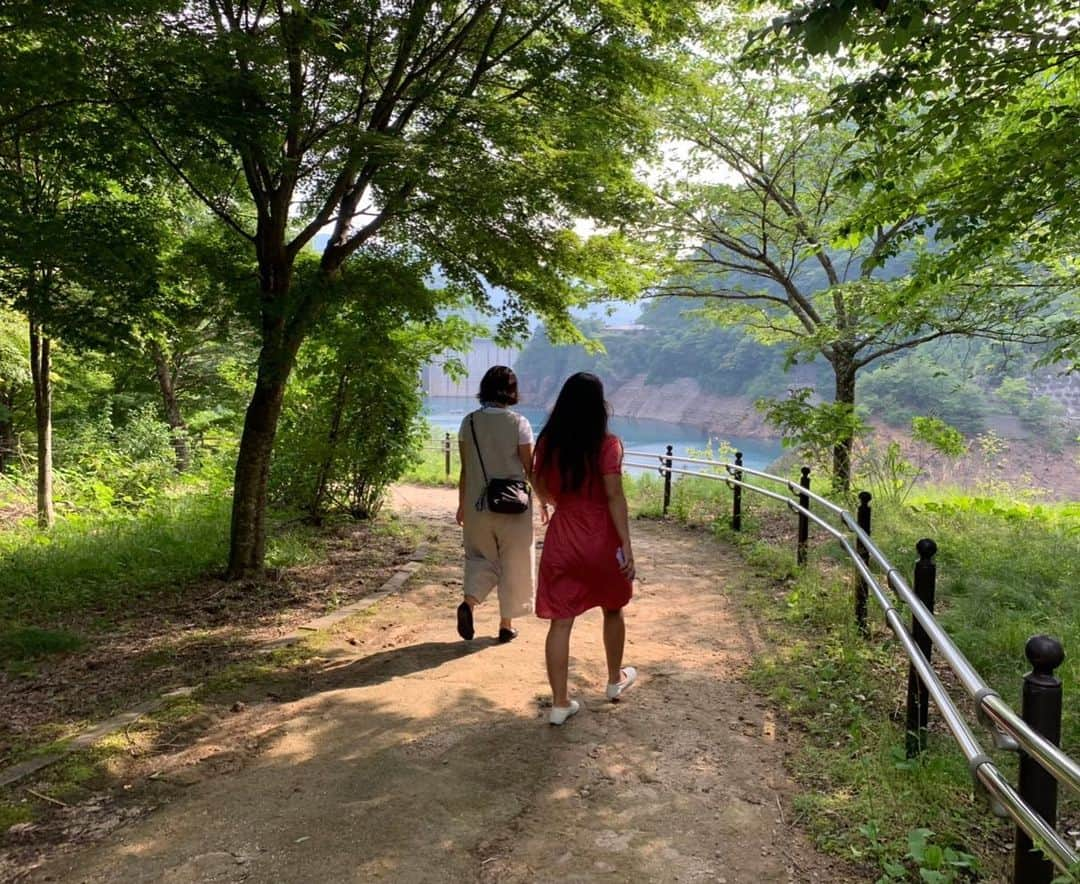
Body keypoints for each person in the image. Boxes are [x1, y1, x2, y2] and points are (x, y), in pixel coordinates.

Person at [532, 372, 636, 725]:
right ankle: (613, 681)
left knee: (561, 622)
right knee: (613, 608)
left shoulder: (547, 443)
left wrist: (553, 501)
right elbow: (614, 496)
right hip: (601, 538)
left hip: (564, 535)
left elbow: (540, 485)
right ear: (599, 406)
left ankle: (560, 703)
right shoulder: (608, 445)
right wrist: (626, 544)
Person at [455, 365, 536, 643]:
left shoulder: (469, 423)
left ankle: (469, 603)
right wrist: (547, 502)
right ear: (512, 391)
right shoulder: (519, 423)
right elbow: (530, 468)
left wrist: (461, 505)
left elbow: (465, 469)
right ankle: (505, 625)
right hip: (514, 506)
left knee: (480, 558)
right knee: (514, 561)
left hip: (477, 506)